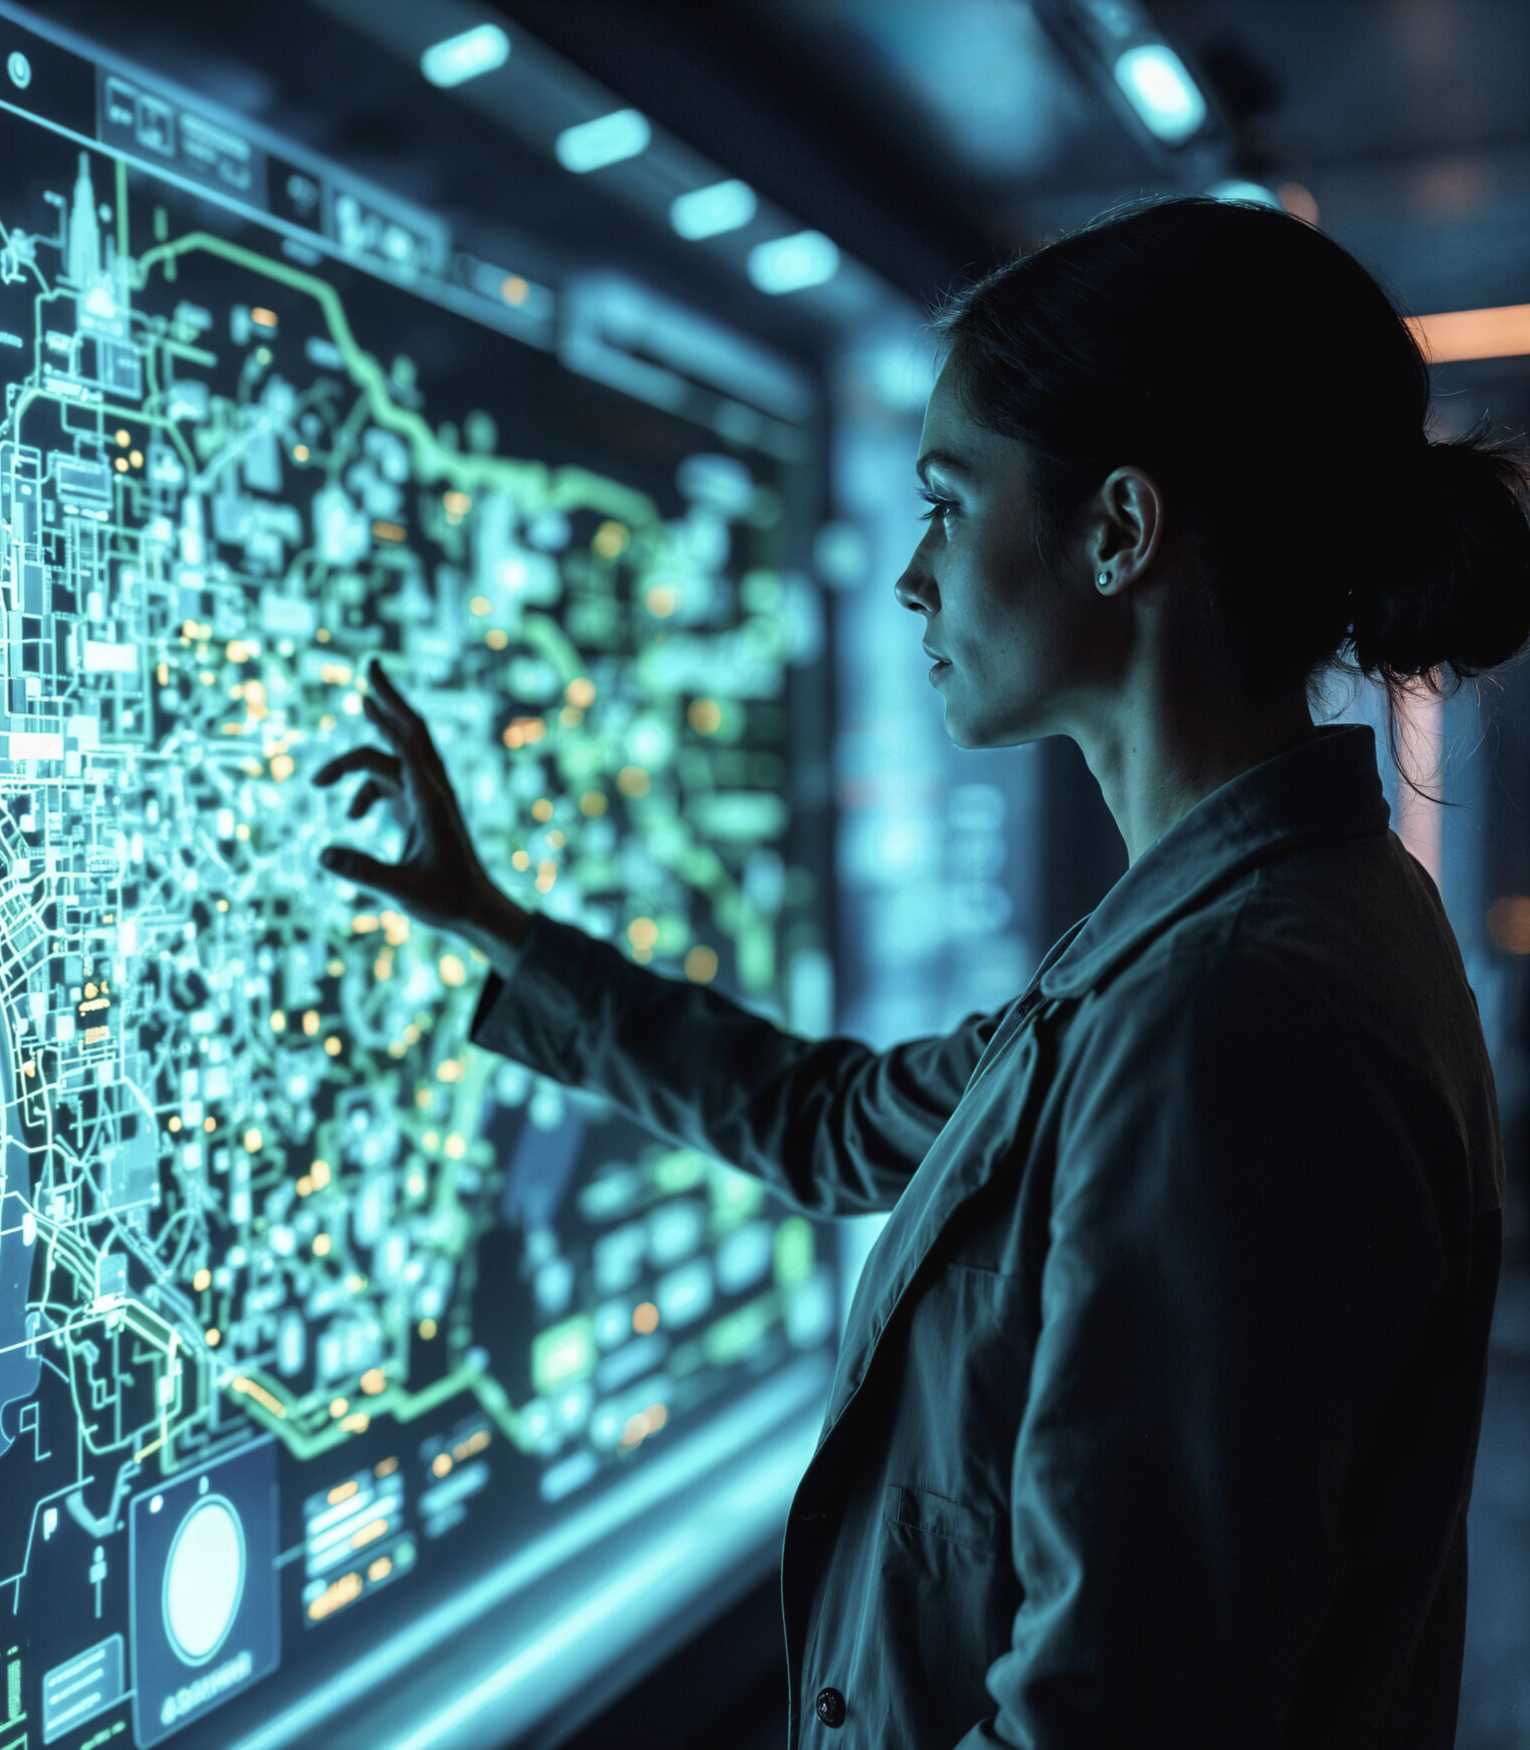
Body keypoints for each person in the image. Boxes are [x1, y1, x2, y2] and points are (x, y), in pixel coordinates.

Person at [313, 197, 1529, 1748]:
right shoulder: (1227, 933)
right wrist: (495, 923)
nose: (913, 577)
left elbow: (1116, 1715)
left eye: (948, 502)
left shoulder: (1237, 1011)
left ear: (1118, 532)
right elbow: (836, 1123)